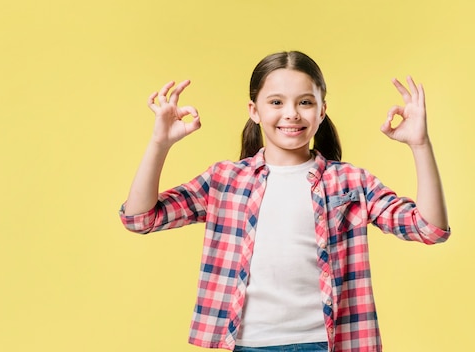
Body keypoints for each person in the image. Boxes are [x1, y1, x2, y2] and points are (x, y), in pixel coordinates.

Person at [119, 51, 450, 352]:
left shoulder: (350, 182)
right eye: (276, 102)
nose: (291, 114)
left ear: (322, 111)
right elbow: (139, 219)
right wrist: (159, 143)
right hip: (250, 344)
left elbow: (429, 229)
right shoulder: (225, 181)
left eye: (305, 102)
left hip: (328, 343)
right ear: (255, 111)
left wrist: (420, 145)